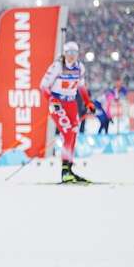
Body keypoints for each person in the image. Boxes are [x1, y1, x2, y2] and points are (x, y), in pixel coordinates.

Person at [39, 41, 95, 183]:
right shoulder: (57, 66)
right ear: (64, 53)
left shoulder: (80, 67)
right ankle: (64, 171)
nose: (71, 56)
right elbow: (43, 86)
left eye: (74, 53)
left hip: (71, 104)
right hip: (58, 105)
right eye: (69, 53)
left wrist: (88, 102)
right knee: (68, 133)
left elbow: (81, 87)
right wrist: (52, 100)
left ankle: (69, 170)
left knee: (73, 135)